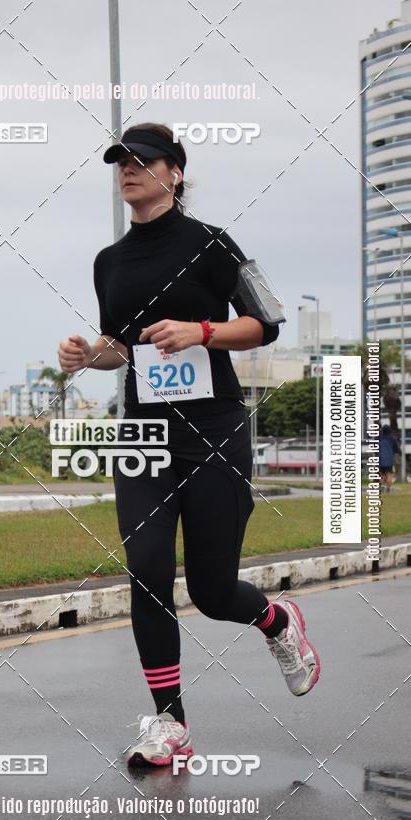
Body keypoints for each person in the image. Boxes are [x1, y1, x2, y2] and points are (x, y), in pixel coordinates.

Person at [57, 122, 320, 768]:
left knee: (211, 590)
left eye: (142, 160)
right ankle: (170, 723)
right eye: (120, 161)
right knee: (146, 570)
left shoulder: (212, 244)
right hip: (143, 432)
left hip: (213, 431)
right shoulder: (109, 262)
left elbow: (266, 322)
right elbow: (121, 346)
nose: (128, 169)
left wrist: (201, 331)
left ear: (174, 172)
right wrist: (89, 354)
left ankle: (277, 621)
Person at [379, 424, 400, 492]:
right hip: (389, 460)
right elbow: (396, 449)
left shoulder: (379, 438)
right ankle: (388, 488)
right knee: (388, 474)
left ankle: (381, 486)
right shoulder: (392, 439)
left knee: (381, 474)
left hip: (380, 459)